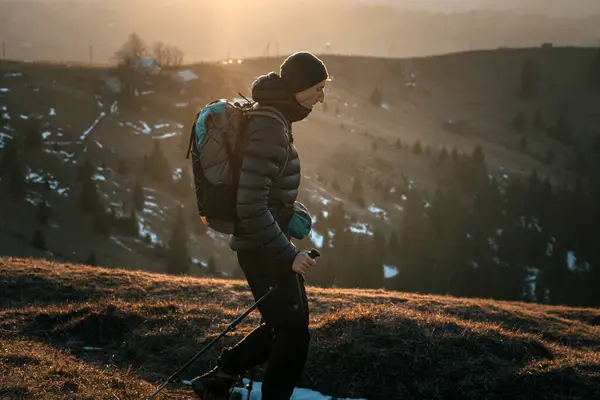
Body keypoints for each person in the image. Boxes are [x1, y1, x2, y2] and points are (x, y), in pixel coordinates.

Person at [191, 52, 329, 400]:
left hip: (262, 239)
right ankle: (230, 380)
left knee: (284, 326)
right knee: (293, 334)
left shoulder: (273, 116)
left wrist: (287, 210)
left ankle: (220, 379)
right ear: (298, 88)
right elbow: (250, 202)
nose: (322, 96)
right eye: (317, 87)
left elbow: (259, 191)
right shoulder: (270, 125)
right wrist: (288, 256)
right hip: (263, 246)